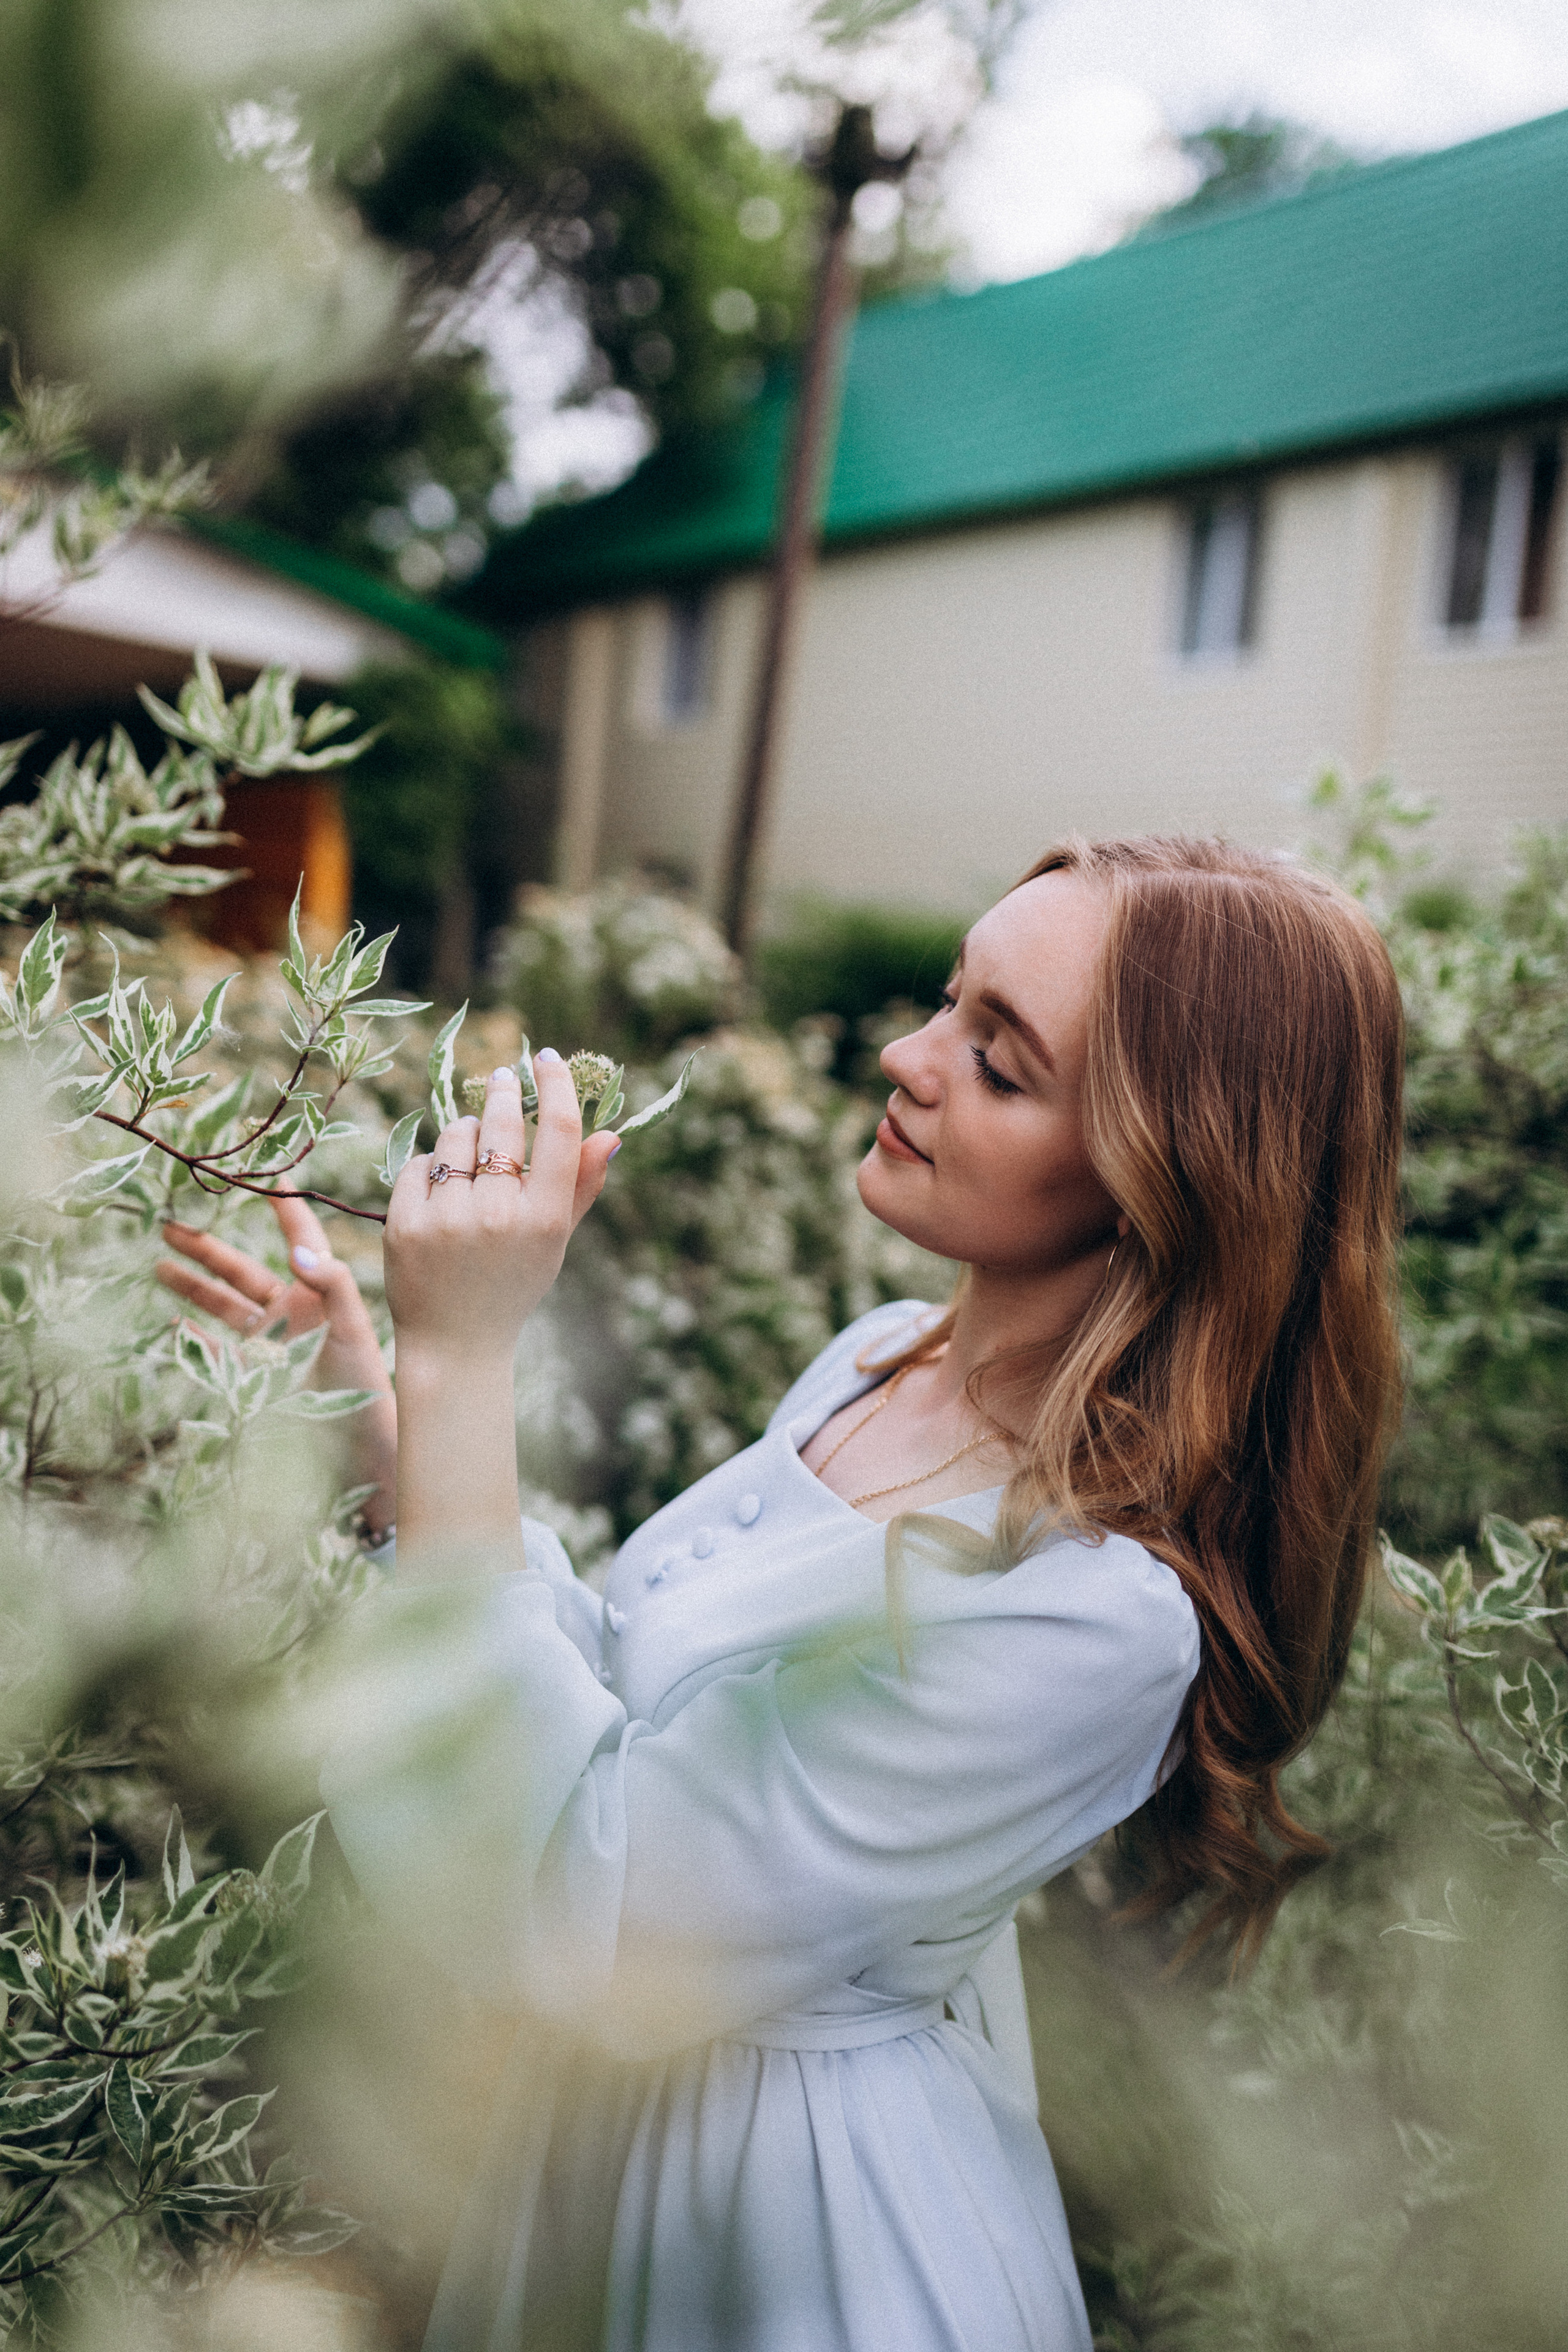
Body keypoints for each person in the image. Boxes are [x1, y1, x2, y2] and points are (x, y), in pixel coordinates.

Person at [158, 835, 1405, 2352]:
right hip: (595, 2155)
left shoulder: (1096, 1612)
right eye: (947, 1000)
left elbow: (587, 1910)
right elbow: (620, 1725)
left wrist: (465, 1355)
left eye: (997, 1063)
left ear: (1165, 1184)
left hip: (793, 2242)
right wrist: (398, 1439)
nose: (906, 1058)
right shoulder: (880, 1360)